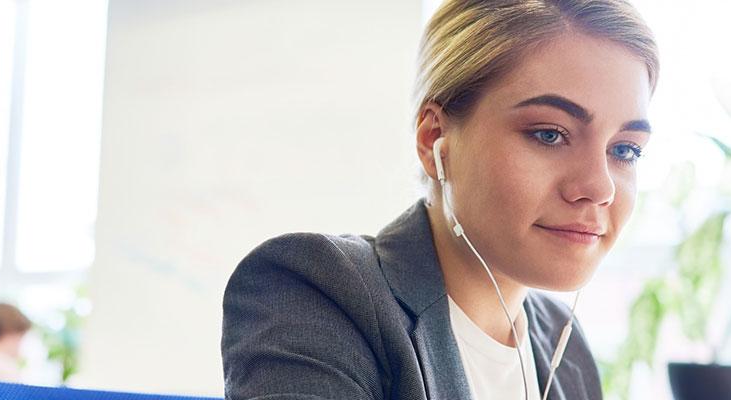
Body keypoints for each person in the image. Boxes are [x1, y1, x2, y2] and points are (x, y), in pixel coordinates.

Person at [221, 0, 658, 398]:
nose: (600, 188)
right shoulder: (319, 289)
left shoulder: (568, 349)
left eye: (625, 150)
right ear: (436, 140)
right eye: (549, 134)